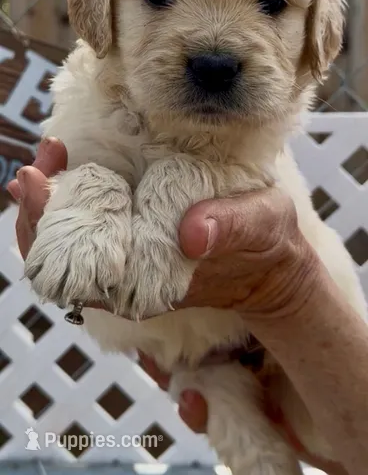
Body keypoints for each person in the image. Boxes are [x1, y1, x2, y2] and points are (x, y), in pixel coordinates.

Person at [8, 138, 368, 475]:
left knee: (315, 438)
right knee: (256, 449)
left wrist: (285, 290)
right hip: (200, 368)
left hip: (293, 344)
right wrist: (82, 195)